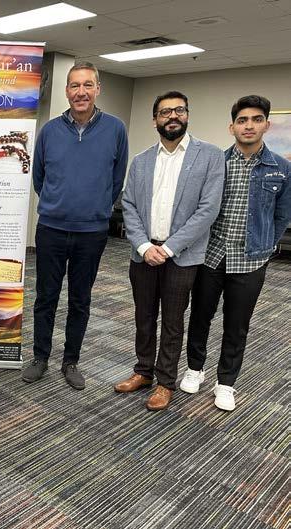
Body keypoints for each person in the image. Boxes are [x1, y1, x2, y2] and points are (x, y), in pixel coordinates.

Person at [114, 91, 224, 411]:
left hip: (183, 256)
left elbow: (207, 210)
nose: (172, 116)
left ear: (187, 115)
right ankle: (143, 371)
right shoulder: (141, 160)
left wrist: (170, 247)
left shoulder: (210, 156)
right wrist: (144, 245)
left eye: (179, 110)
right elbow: (129, 205)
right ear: (155, 120)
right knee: (144, 317)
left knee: (173, 321)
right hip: (143, 253)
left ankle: (165, 382)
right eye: (165, 112)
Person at [182, 95, 291, 411]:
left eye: (256, 119)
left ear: (266, 125)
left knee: (237, 324)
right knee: (200, 316)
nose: (249, 126)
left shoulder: (281, 169)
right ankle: (195, 368)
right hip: (211, 255)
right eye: (242, 120)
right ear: (232, 127)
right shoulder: (217, 162)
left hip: (250, 260)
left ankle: (226, 383)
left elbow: (282, 216)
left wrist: (265, 246)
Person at [23, 61, 128, 389]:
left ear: (97, 89)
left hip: (91, 232)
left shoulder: (115, 129)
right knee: (46, 297)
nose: (81, 92)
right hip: (51, 229)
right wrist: (59, 203)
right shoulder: (49, 131)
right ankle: (40, 357)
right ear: (67, 91)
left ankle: (70, 361)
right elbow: (39, 178)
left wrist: (95, 207)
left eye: (87, 85)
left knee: (80, 300)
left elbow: (116, 180)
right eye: (74, 85)